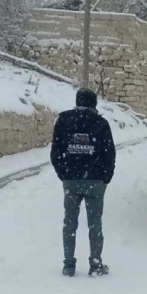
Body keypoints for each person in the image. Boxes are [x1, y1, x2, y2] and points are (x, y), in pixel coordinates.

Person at [50, 88, 116, 277]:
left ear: (77, 101)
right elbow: (109, 154)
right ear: (94, 103)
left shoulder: (63, 121)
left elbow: (55, 153)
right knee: (95, 224)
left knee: (69, 223)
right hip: (95, 181)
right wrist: (105, 178)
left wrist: (64, 174)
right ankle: (95, 264)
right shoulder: (101, 124)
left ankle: (68, 265)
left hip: (71, 180)